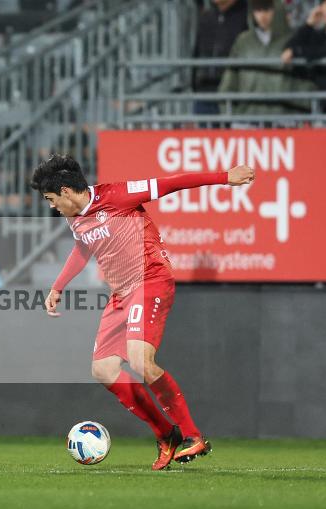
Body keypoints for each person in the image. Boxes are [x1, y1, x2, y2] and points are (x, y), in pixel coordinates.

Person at [33, 155, 254, 470]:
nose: (52, 206)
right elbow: (83, 247)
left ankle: (193, 436)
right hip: (120, 294)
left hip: (149, 279)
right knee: (104, 370)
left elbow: (171, 183)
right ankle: (166, 434)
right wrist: (58, 286)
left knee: (141, 362)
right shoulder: (75, 218)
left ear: (66, 191)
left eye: (51, 199)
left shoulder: (117, 195)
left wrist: (225, 177)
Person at [218, 0, 316, 116]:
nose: (262, 15)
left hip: (285, 120)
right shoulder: (243, 41)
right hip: (247, 121)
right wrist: (231, 114)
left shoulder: (294, 41)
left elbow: (306, 83)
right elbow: (230, 80)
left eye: (267, 10)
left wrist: (300, 112)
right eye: (257, 10)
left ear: (278, 10)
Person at [192, 0, 249, 116]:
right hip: (204, 93)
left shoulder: (247, 18)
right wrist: (195, 84)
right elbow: (196, 52)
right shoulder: (206, 18)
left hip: (234, 96)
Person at [281, 0, 326, 92]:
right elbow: (289, 47)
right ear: (320, 7)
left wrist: (297, 51)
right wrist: (309, 24)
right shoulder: (319, 34)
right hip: (314, 95)